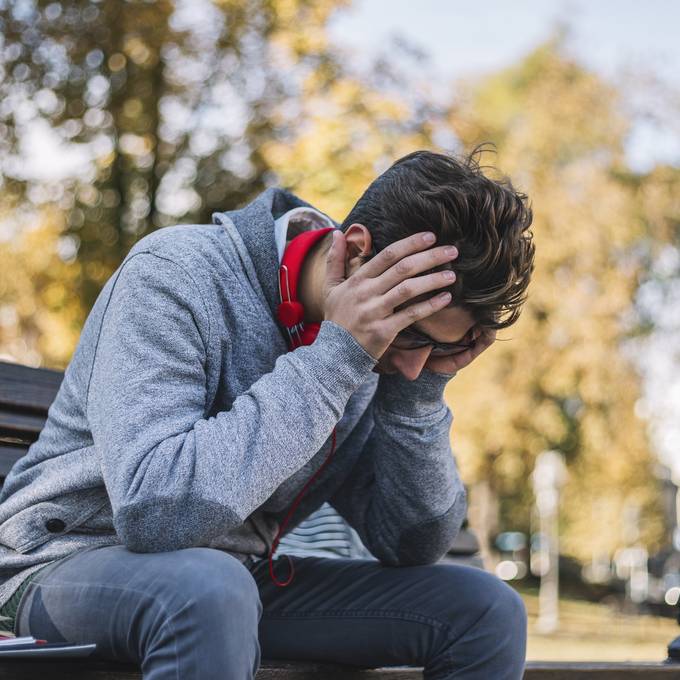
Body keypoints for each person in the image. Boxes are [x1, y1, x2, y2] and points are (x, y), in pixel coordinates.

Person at [0, 148, 535, 678]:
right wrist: (336, 358)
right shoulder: (175, 274)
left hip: (237, 584)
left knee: (486, 610)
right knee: (208, 590)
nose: (415, 365)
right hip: (58, 566)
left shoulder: (384, 355)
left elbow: (410, 543)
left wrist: (420, 399)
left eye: (440, 351)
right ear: (354, 253)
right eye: (412, 335)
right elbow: (153, 511)